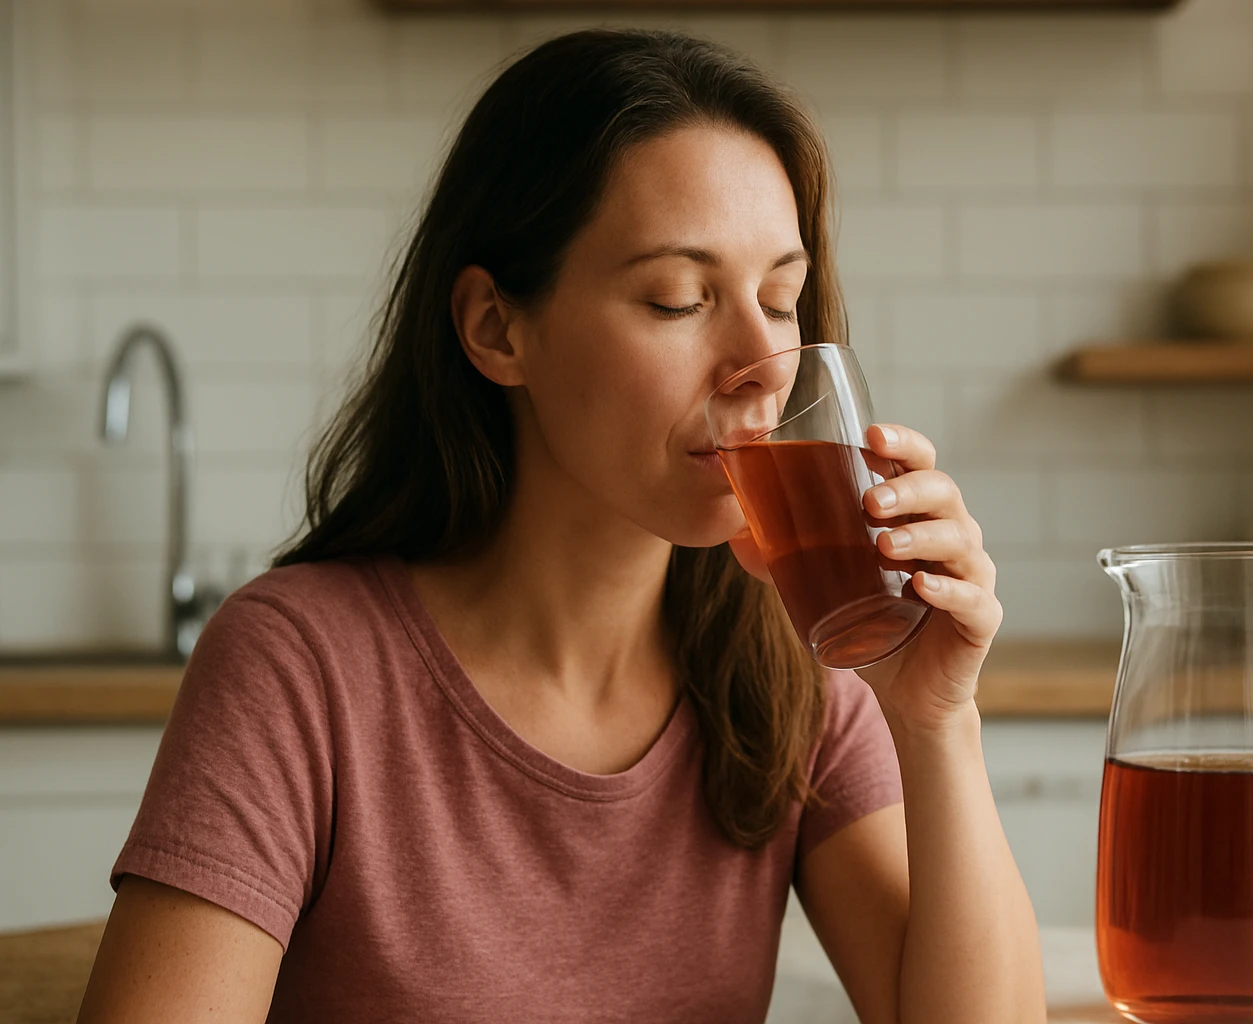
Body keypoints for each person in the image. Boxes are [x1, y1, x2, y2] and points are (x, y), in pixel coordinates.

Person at [76, 29, 1044, 1024]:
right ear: (498, 329)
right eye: (679, 299)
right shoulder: (299, 668)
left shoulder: (791, 678)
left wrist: (936, 721)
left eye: (781, 299)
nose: (761, 362)